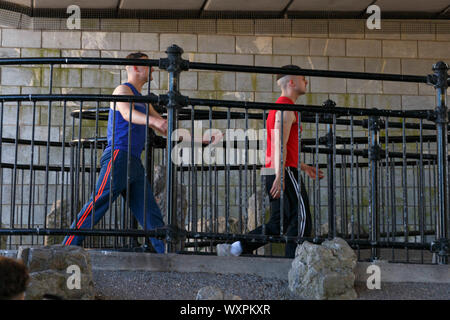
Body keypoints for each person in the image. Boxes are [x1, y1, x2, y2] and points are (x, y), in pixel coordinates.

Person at [63, 52, 168, 253]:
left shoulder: (144, 100)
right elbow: (127, 113)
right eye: (149, 65)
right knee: (99, 201)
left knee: (149, 212)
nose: (153, 68)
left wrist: (200, 139)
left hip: (133, 162)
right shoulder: (122, 90)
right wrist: (155, 121)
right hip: (118, 156)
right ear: (136, 67)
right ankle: (65, 248)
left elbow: (165, 125)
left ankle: (166, 254)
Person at [218, 65, 324, 258]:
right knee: (301, 218)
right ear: (291, 82)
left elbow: (279, 144)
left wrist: (302, 166)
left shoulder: (280, 107)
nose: (306, 81)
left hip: (275, 169)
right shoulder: (286, 107)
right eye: (303, 78)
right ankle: (294, 263)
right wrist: (280, 174)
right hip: (282, 171)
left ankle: (235, 248)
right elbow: (278, 142)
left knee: (279, 222)